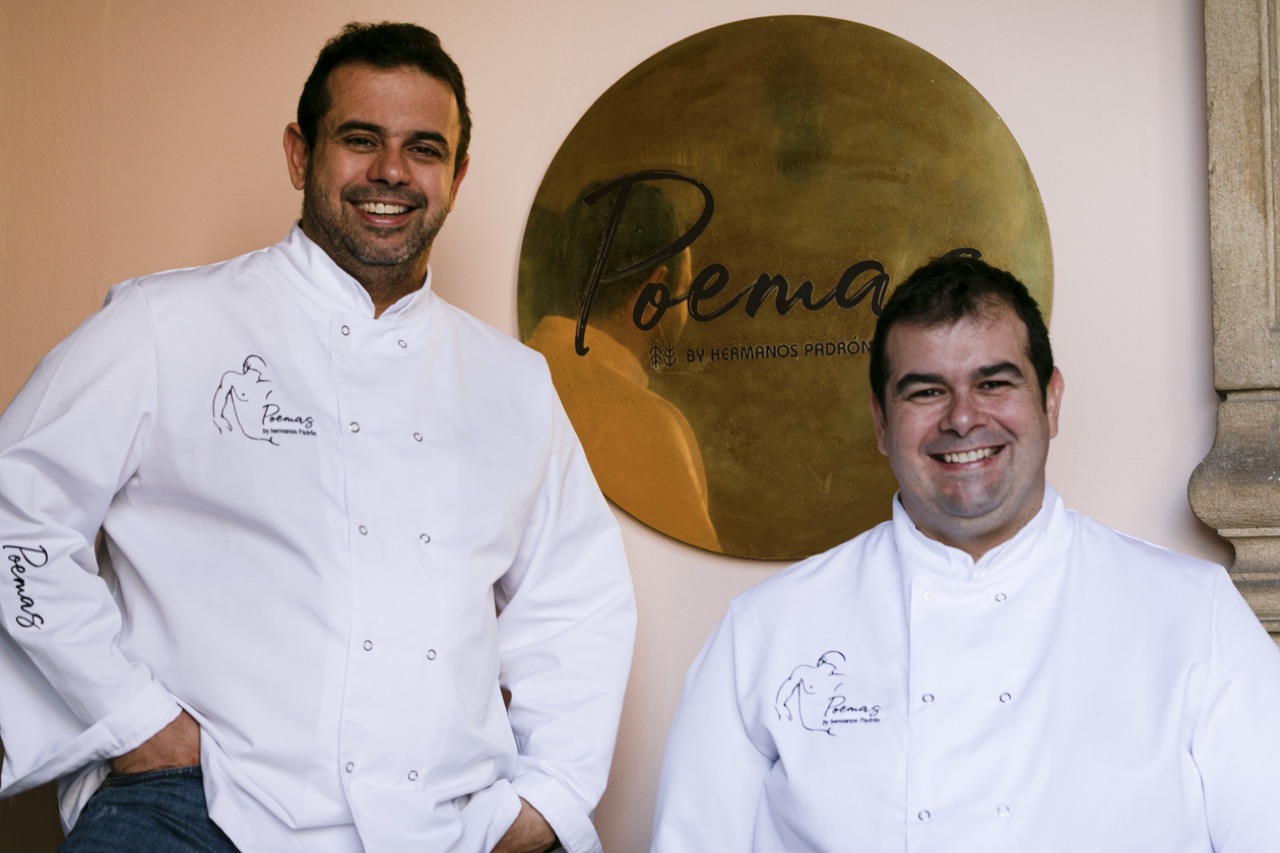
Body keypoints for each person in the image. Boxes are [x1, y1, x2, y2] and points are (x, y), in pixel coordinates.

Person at [0, 22, 635, 853]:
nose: (392, 171)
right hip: (199, 804)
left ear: (456, 176)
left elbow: (578, 603)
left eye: (424, 149)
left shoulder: (514, 382)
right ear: (301, 156)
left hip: (443, 821)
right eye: (361, 140)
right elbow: (16, 508)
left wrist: (548, 800)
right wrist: (129, 717)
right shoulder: (165, 325)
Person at [650, 255, 1280, 851]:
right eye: (925, 392)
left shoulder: (1192, 615)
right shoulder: (765, 631)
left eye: (994, 382)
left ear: (1051, 401)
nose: (962, 419)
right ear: (880, 422)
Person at [525, 179, 719, 551]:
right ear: (656, 293)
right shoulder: (650, 428)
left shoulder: (502, 379)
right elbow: (689, 579)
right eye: (687, 288)